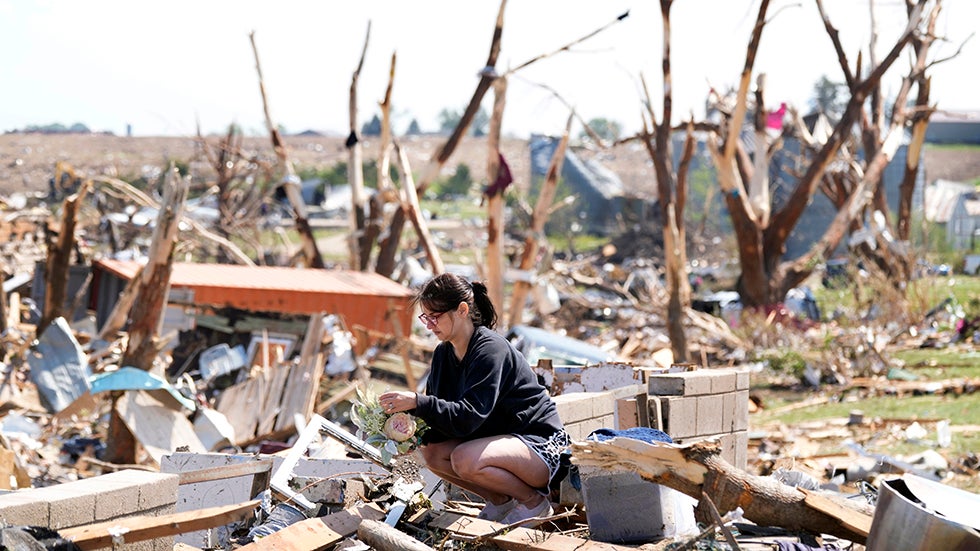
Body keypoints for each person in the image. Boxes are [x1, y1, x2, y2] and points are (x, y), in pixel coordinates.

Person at [379, 272, 569, 525]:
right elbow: (444, 417)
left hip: (538, 445)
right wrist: (407, 432)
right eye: (426, 317)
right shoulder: (443, 354)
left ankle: (535, 503)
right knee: (431, 453)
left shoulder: (490, 349)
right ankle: (502, 502)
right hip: (498, 444)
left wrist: (417, 402)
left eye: (435, 317)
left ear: (462, 310)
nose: (429, 325)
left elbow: (469, 416)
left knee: (463, 458)